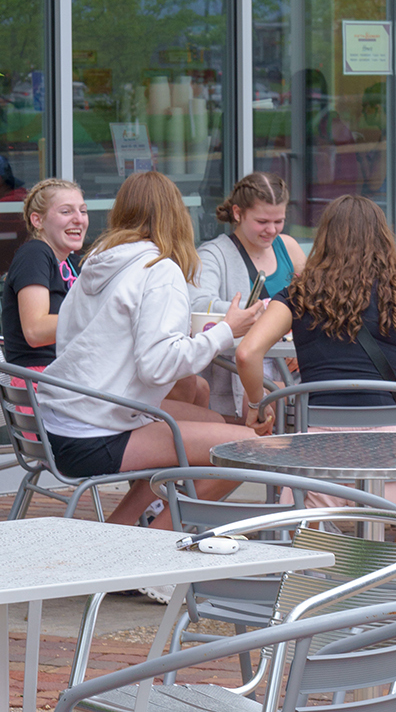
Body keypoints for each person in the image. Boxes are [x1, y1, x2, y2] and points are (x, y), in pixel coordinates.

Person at [236, 195, 396, 543]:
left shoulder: (297, 294)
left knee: (306, 521)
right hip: (387, 450)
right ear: (382, 240)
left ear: (325, 240)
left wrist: (259, 406)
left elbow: (246, 353)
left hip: (313, 450)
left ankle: (312, 580)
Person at [38, 171, 264, 527]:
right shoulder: (159, 270)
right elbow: (157, 367)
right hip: (96, 432)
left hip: (61, 423)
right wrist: (225, 331)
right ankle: (148, 560)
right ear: (178, 217)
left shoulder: (99, 260)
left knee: (208, 420)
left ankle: (117, 537)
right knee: (248, 450)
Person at [189, 172, 308, 414]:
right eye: (262, 222)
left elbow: (317, 304)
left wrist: (300, 337)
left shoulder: (289, 248)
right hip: (241, 383)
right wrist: (267, 313)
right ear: (237, 213)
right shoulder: (212, 254)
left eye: (279, 221)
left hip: (294, 373)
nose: (272, 230)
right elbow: (198, 306)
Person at [1, 179, 87, 371]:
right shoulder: (34, 253)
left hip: (70, 376)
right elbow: (35, 330)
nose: (79, 219)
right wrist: (96, 317)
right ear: (37, 221)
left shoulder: (72, 262)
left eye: (83, 211)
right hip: (42, 380)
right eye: (66, 211)